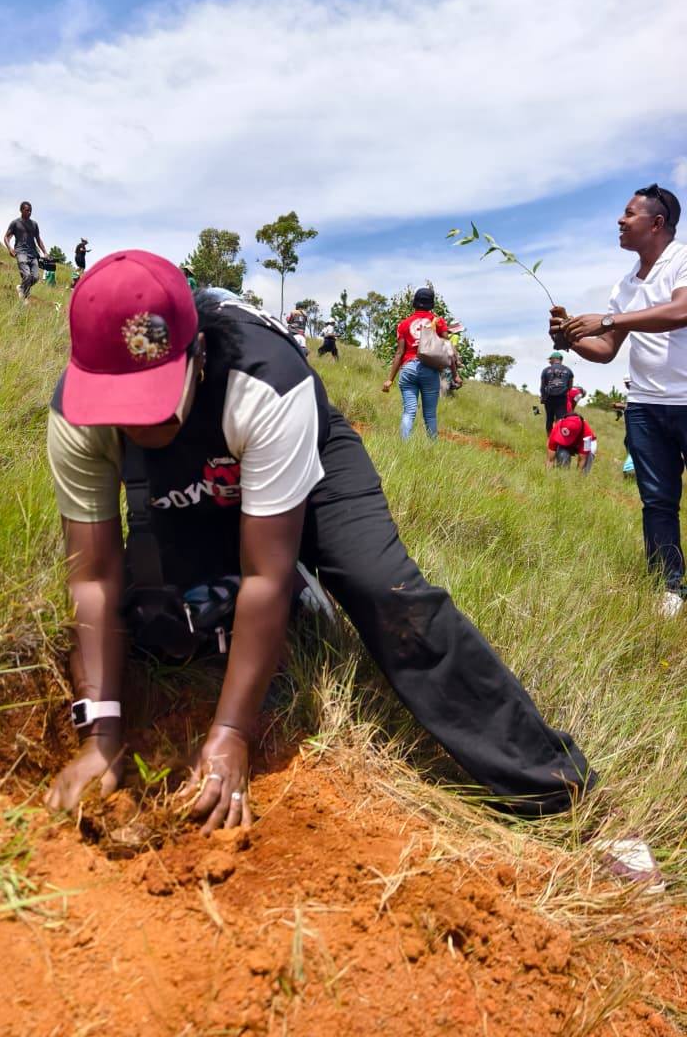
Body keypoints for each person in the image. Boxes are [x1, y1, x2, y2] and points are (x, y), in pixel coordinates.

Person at [45, 252, 604, 847]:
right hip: (202, 480)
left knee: (382, 589)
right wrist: (99, 736)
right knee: (163, 618)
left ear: (197, 352)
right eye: (119, 408)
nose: (139, 428)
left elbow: (264, 575)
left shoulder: (265, 385)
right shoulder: (75, 415)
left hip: (307, 462)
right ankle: (295, 605)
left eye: (152, 402)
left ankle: (554, 787)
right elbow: (93, 578)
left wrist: (231, 732)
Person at [554, 183, 687, 617]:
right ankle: (669, 587)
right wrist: (571, 338)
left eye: (629, 213)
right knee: (657, 501)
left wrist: (609, 319)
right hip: (645, 406)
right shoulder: (625, 285)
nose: (620, 220)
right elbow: (607, 349)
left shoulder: (681, 261)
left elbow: (681, 310)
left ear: (657, 223)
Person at [382, 287, 451, 440]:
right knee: (430, 415)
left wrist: (390, 379)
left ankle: (404, 446)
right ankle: (432, 447)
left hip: (408, 369)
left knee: (409, 411)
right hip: (429, 370)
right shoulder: (438, 322)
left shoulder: (404, 324)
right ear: (431, 303)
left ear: (414, 302)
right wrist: (455, 373)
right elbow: (448, 347)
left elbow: (399, 352)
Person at [4, 201, 47, 301]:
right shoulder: (15, 223)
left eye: (30, 211)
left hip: (33, 253)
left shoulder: (34, 224)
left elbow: (38, 239)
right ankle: (24, 297)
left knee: (35, 277)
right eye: (27, 210)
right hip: (21, 252)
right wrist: (10, 248)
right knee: (27, 275)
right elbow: (6, 237)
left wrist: (45, 252)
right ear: (21, 210)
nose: (29, 212)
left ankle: (22, 288)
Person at [539, 352, 574, 434]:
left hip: (549, 398)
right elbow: (570, 387)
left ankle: (549, 438)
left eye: (550, 359)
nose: (549, 361)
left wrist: (543, 397)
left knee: (549, 419)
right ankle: (559, 438)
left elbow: (542, 387)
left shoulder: (546, 370)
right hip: (562, 398)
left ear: (554, 359)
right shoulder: (568, 370)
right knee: (560, 419)